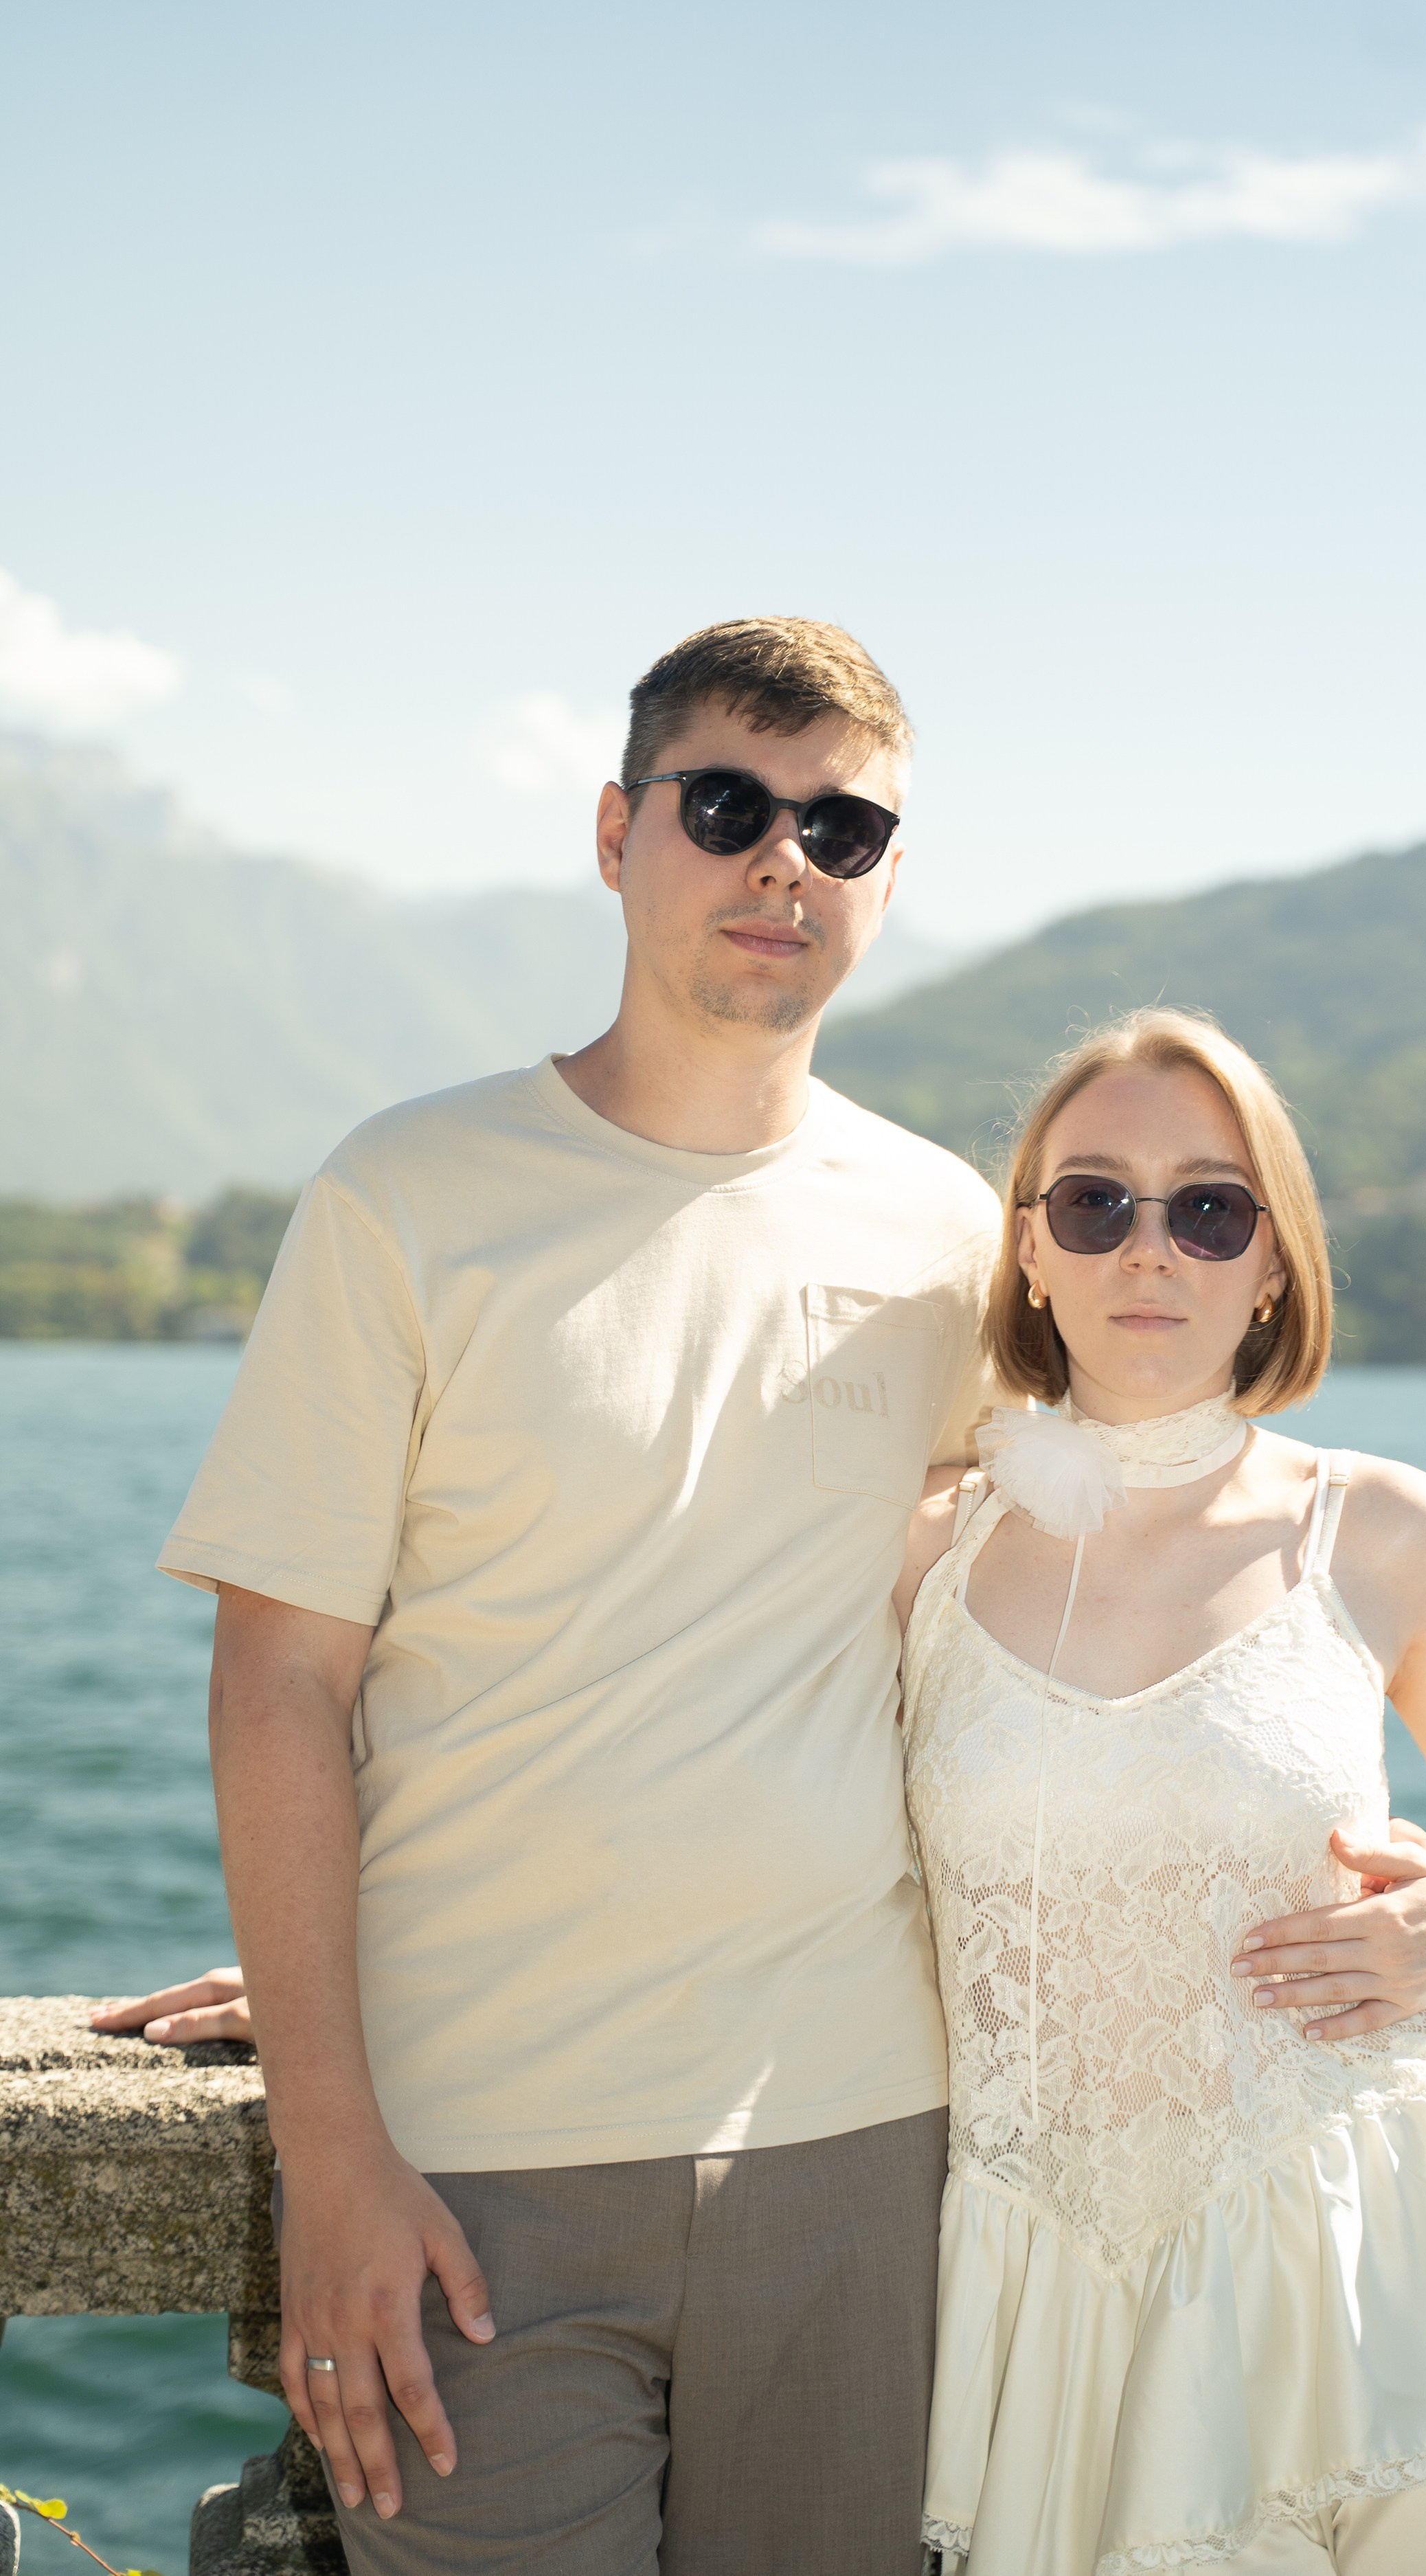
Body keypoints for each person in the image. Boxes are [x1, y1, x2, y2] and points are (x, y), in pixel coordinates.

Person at [135, 617, 1006, 2575]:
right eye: (728, 805)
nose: (785, 858)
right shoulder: (406, 1194)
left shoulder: (953, 1232)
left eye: (843, 827)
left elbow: (1054, 1604)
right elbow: (279, 1674)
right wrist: (330, 2123)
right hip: (473, 2166)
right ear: (618, 833)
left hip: (865, 2141)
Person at [889, 1006, 1426, 2575]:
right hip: (1064, 2305)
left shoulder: (1378, 1528)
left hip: (1406, 2274)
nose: (1148, 1250)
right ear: (1027, 1252)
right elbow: (669, 1766)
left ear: (1272, 1264)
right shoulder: (918, 1549)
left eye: (1209, 1208)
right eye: (1094, 1202)